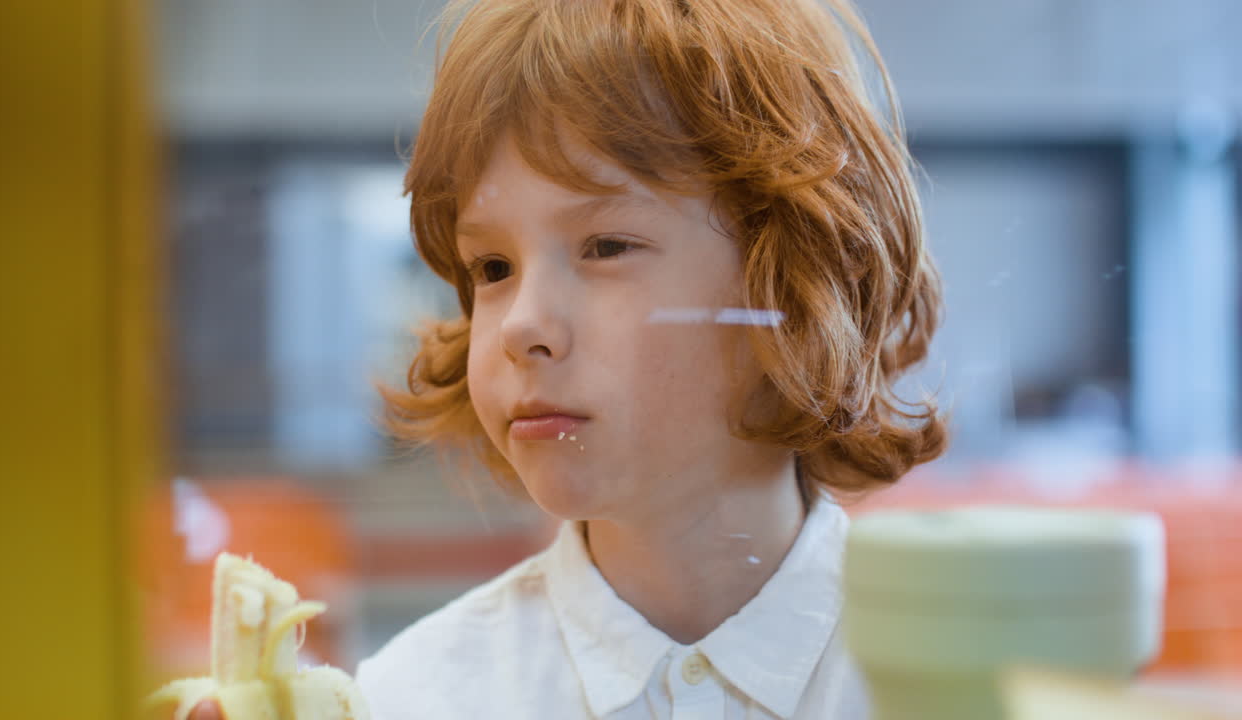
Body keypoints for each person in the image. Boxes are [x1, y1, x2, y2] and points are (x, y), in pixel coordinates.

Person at [185, 0, 947, 717]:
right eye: (491, 269)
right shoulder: (410, 697)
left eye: (606, 245)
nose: (522, 325)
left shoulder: (964, 671)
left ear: (794, 274)